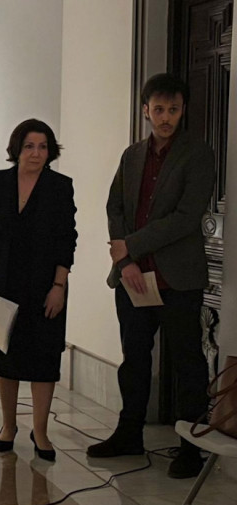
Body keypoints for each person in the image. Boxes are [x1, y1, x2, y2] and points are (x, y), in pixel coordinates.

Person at [87, 73, 215, 479]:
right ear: (145, 110)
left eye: (172, 110)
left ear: (182, 111)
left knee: (187, 363)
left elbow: (186, 217)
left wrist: (132, 245)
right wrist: (124, 260)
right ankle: (129, 434)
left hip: (177, 277)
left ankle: (191, 448)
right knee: (134, 359)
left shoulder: (198, 155)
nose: (165, 117)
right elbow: (115, 209)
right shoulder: (132, 155)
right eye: (158, 109)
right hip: (133, 277)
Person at [0, 119, 77, 462]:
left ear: (51, 151)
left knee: (45, 357)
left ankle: (41, 431)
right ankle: (8, 425)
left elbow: (67, 240)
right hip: (2, 281)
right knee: (7, 355)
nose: (36, 153)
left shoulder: (60, 187)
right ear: (17, 149)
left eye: (43, 147)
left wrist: (59, 286)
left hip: (47, 285)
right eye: (29, 146)